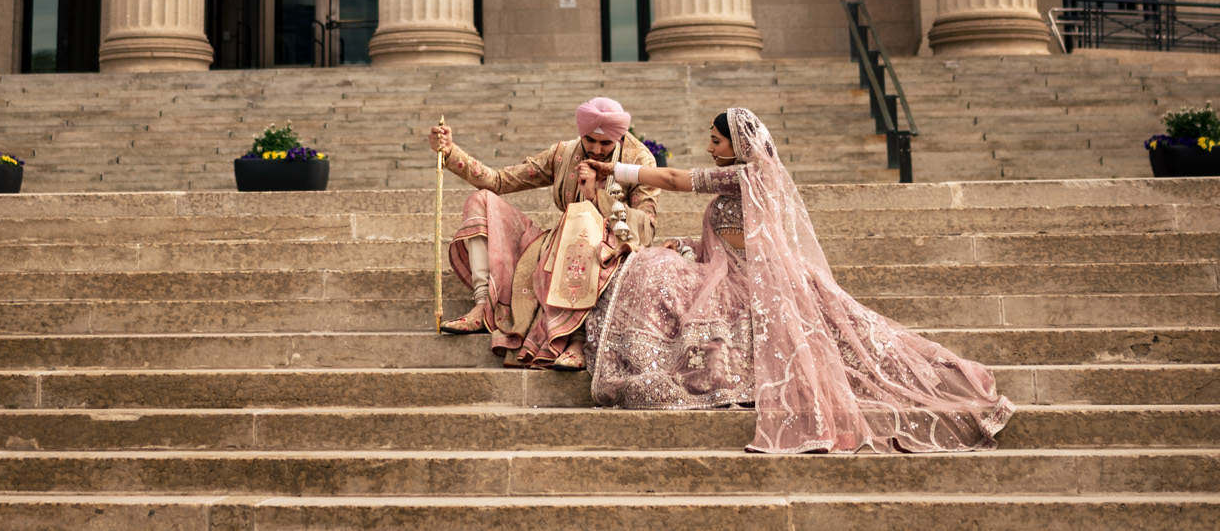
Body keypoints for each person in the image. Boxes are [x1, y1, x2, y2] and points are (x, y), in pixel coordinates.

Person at [581, 107, 1012, 454]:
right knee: (657, 265)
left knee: (653, 274)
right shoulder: (746, 182)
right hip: (736, 272)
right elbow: (735, 242)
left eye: (716, 141)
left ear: (738, 144)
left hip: (749, 282)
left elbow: (675, 179)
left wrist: (614, 170)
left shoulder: (748, 176)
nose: (710, 149)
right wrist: (691, 247)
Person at [429, 97, 658, 369]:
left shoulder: (640, 160)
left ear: (619, 138)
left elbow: (646, 228)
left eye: (605, 143)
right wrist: (450, 151)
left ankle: (575, 338)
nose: (596, 149)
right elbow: (499, 181)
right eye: (590, 140)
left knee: (582, 215)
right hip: (555, 245)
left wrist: (596, 197)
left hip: (610, 251)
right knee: (482, 199)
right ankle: (483, 307)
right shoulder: (563, 153)